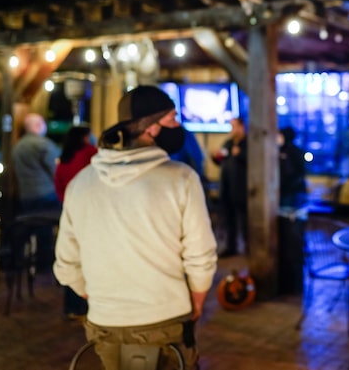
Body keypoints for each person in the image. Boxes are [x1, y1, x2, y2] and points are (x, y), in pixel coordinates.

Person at [53, 85, 218, 369]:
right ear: (152, 129)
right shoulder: (181, 179)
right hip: (166, 322)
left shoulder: (81, 183)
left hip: (104, 325)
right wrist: (197, 301)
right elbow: (201, 259)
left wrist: (103, 298)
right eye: (172, 119)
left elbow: (66, 266)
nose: (178, 126)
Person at [53, 124, 97, 320]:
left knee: (70, 255)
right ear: (86, 137)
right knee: (87, 257)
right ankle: (86, 305)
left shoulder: (64, 158)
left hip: (69, 209)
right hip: (90, 211)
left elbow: (58, 186)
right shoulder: (91, 153)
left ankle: (72, 306)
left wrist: (67, 202)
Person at [211, 116, 248, 257]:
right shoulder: (228, 143)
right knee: (229, 220)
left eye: (234, 126)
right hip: (227, 188)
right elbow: (221, 161)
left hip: (242, 189)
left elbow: (253, 162)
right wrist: (215, 157)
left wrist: (240, 155)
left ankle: (249, 249)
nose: (232, 130)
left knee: (245, 222)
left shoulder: (248, 143)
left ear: (241, 127)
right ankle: (231, 247)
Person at [12, 112, 60, 214]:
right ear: (39, 125)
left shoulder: (18, 146)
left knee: (36, 227)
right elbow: (57, 171)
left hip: (26, 196)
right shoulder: (44, 144)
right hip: (47, 195)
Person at [278, 127, 307, 209]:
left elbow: (300, 171)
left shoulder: (294, 151)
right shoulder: (279, 150)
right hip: (285, 189)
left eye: (280, 135)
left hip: (292, 191)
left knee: (289, 214)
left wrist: (289, 184)